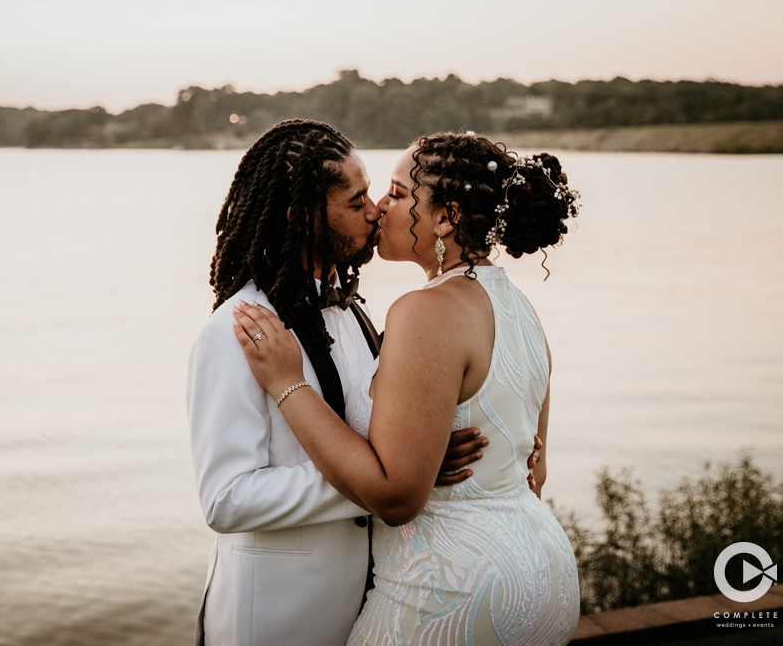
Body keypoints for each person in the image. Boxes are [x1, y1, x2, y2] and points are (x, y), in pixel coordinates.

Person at [187, 120, 537, 646]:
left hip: (380, 604)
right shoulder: (241, 329)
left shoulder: (354, 313)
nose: (375, 210)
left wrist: (402, 467)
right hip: (276, 620)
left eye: (375, 194)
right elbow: (226, 499)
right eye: (356, 202)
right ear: (301, 217)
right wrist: (382, 479)